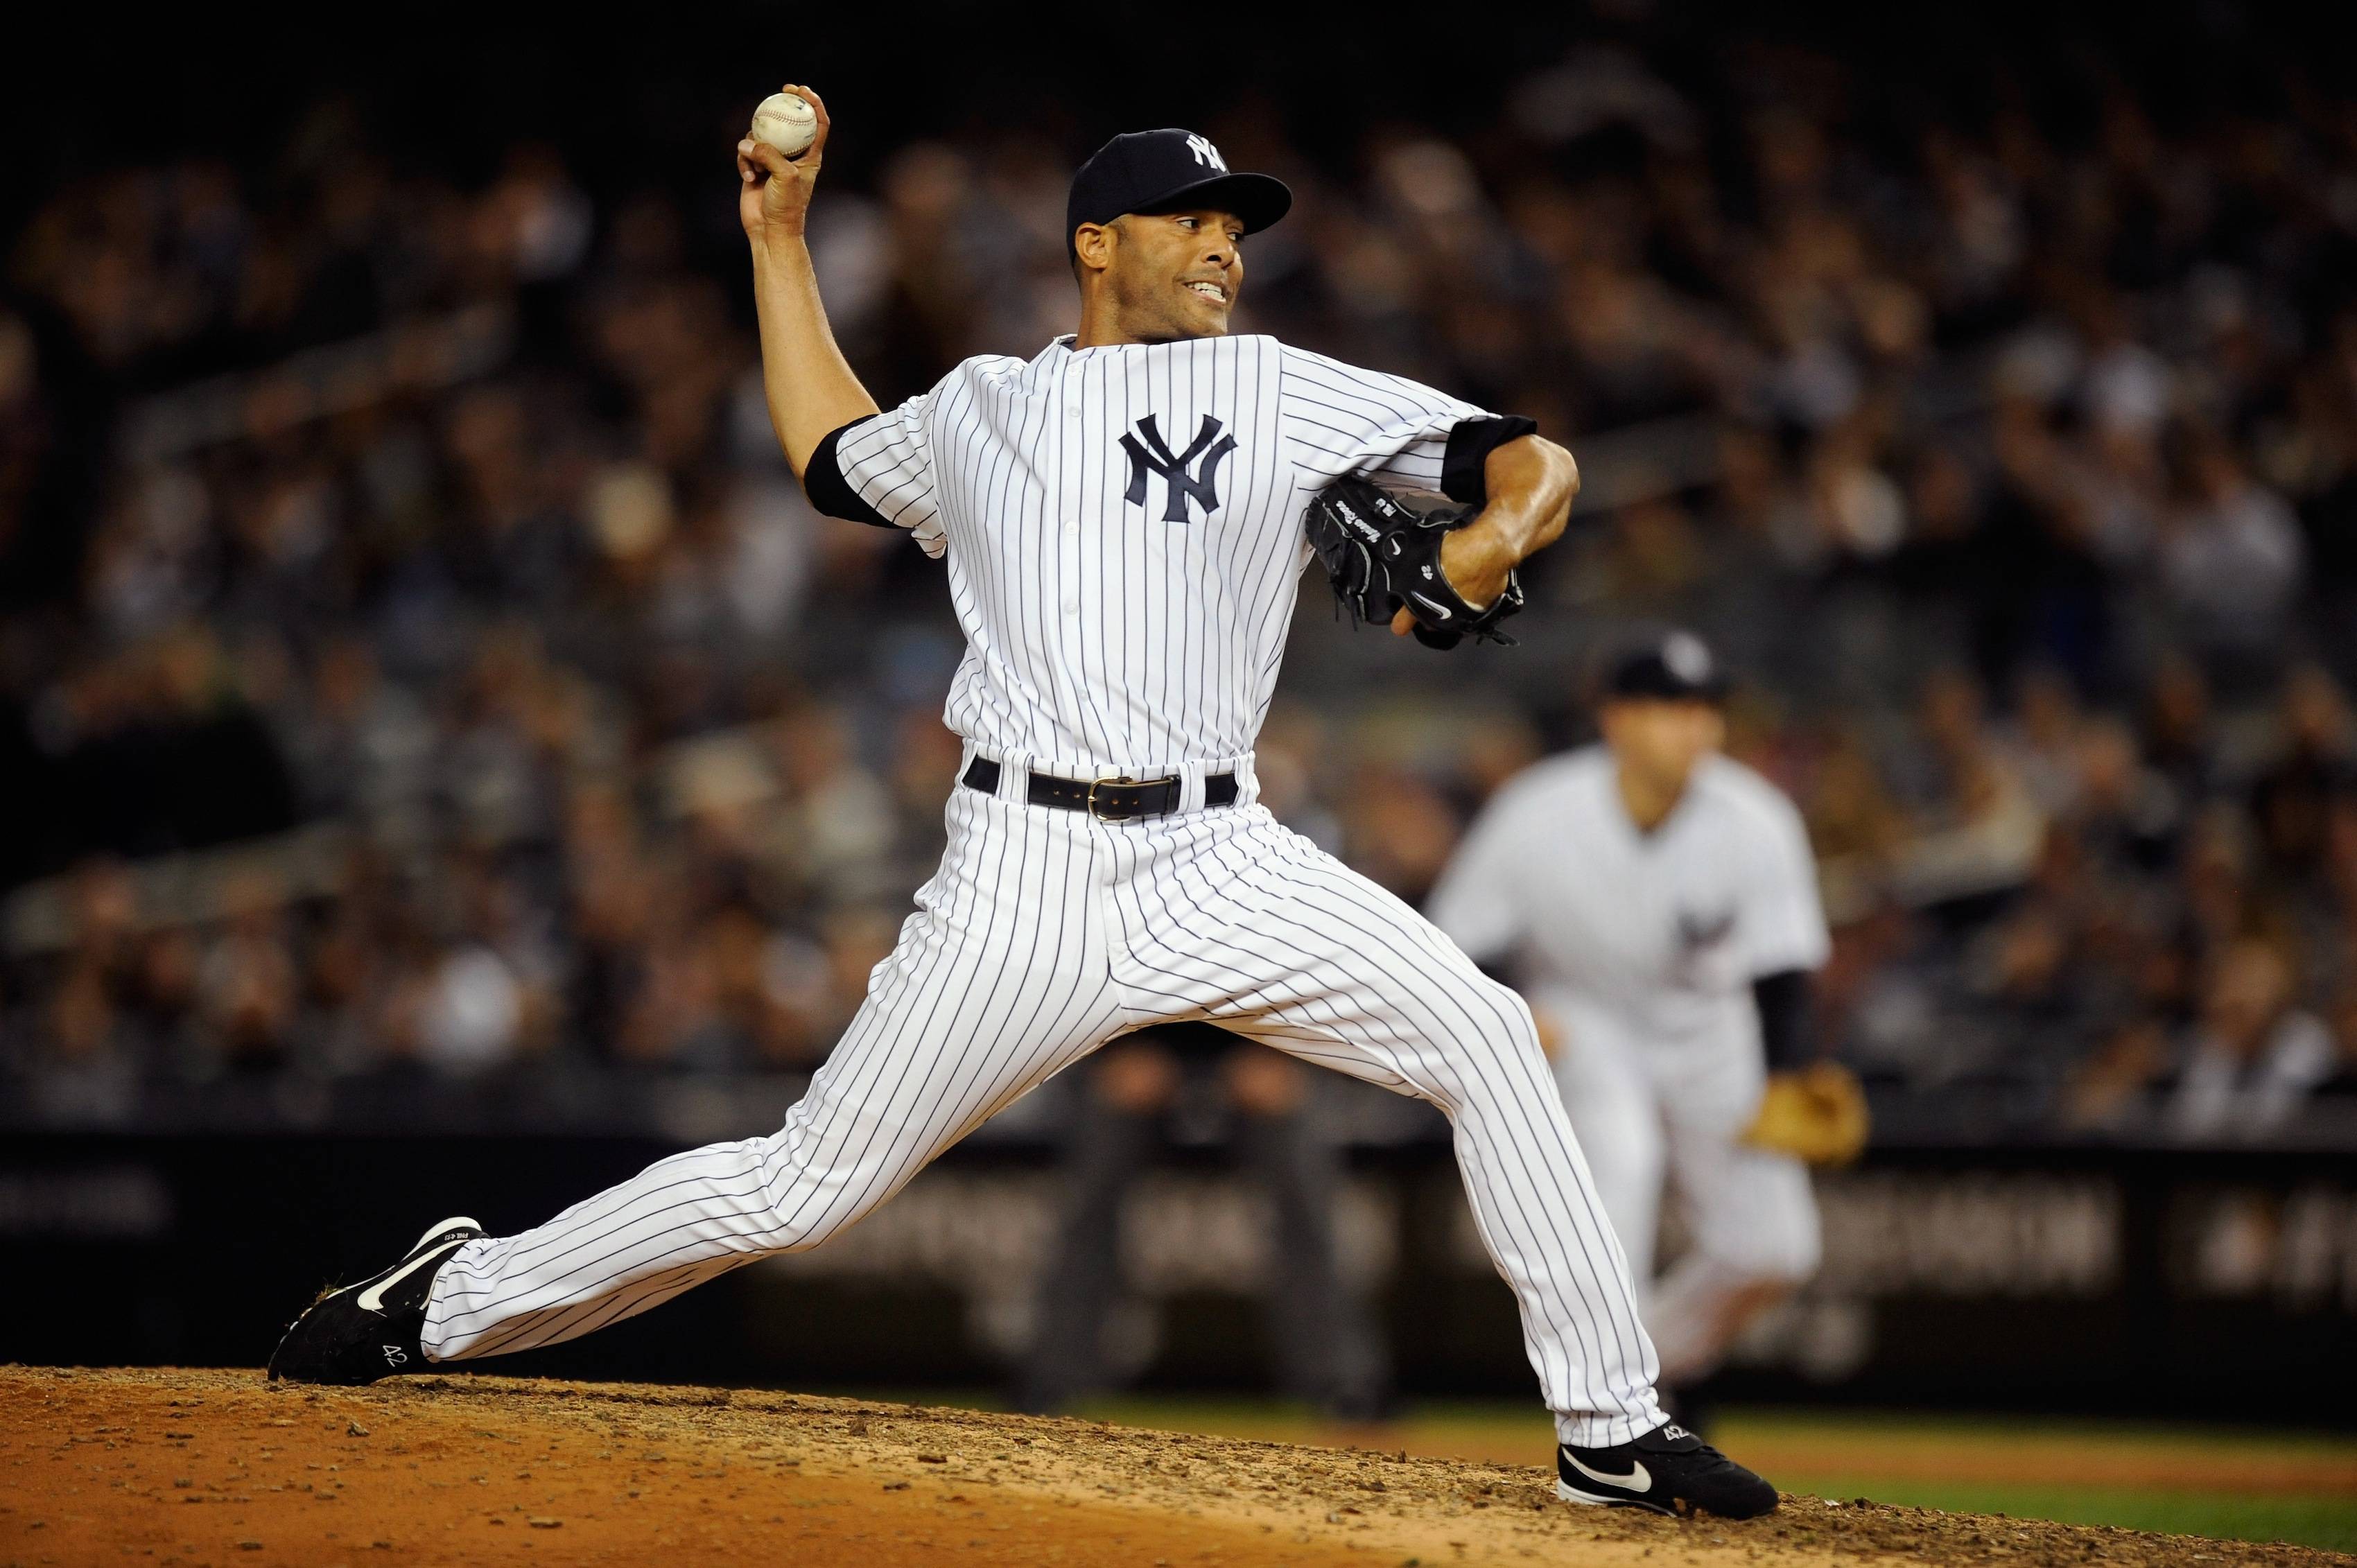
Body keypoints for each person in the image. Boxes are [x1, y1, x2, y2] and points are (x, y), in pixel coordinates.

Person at [267, 87, 1776, 1519]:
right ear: (1095, 245)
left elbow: (1531, 459)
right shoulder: (985, 407)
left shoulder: (1276, 382)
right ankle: (440, 1301)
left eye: (1236, 227)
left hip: (1219, 853)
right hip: (1022, 873)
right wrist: (780, 245)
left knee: (1486, 1035)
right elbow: (828, 458)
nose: (1224, 247)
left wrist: (1481, 548)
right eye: (1191, 220)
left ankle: (1608, 1429)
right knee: (802, 1189)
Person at [1429, 631, 1851, 1428]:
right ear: (1616, 720)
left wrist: (1792, 1073)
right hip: (1584, 1022)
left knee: (1776, 1250)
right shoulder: (1537, 811)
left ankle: (1645, 1365)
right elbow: (1448, 941)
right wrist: (1514, 1011)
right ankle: (1613, 1406)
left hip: (1709, 1031)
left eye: (1702, 710)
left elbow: (1784, 969)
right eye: (1668, 708)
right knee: (1618, 1181)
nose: (1692, 728)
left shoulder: (1754, 819)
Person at [1017, 1022, 1387, 1421]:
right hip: (1135, 1043)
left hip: (1261, 1044)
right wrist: (1109, 1047)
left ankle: (1343, 1383)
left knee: (1302, 1167)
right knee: (1092, 1177)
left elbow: (1304, 967)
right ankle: (1054, 1379)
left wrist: (1285, 1047)